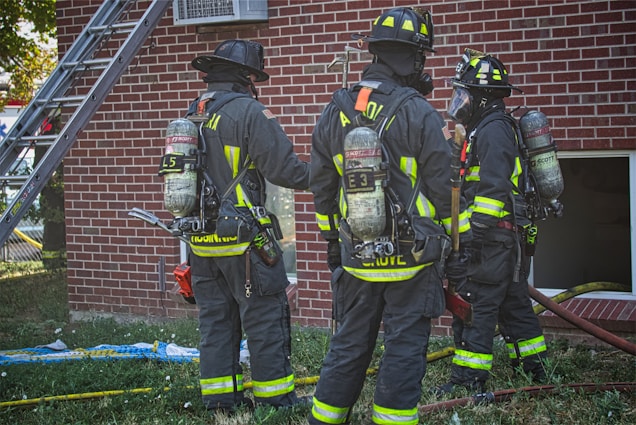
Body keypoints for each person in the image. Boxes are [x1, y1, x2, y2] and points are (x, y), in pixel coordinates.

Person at [308, 7, 471, 424]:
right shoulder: (419, 112)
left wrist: (333, 243)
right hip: (412, 261)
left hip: (356, 255)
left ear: (376, 52)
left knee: (348, 344)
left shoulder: (334, 109)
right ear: (414, 59)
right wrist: (457, 245)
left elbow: (322, 186)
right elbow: (443, 190)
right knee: (404, 346)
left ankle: (323, 419)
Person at [185, 39, 310, 412]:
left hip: (201, 241)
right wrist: (330, 173)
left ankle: (221, 402)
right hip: (244, 241)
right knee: (264, 316)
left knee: (216, 322)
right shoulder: (250, 112)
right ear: (246, 76)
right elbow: (285, 170)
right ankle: (277, 403)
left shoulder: (194, 112)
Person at [435, 49, 548, 396]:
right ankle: (534, 368)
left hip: (492, 240)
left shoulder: (494, 130)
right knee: (513, 304)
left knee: (476, 304)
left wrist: (465, 235)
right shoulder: (483, 129)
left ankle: (468, 379)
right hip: (502, 239)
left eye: (464, 94)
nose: (460, 101)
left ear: (482, 97)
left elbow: (492, 192)